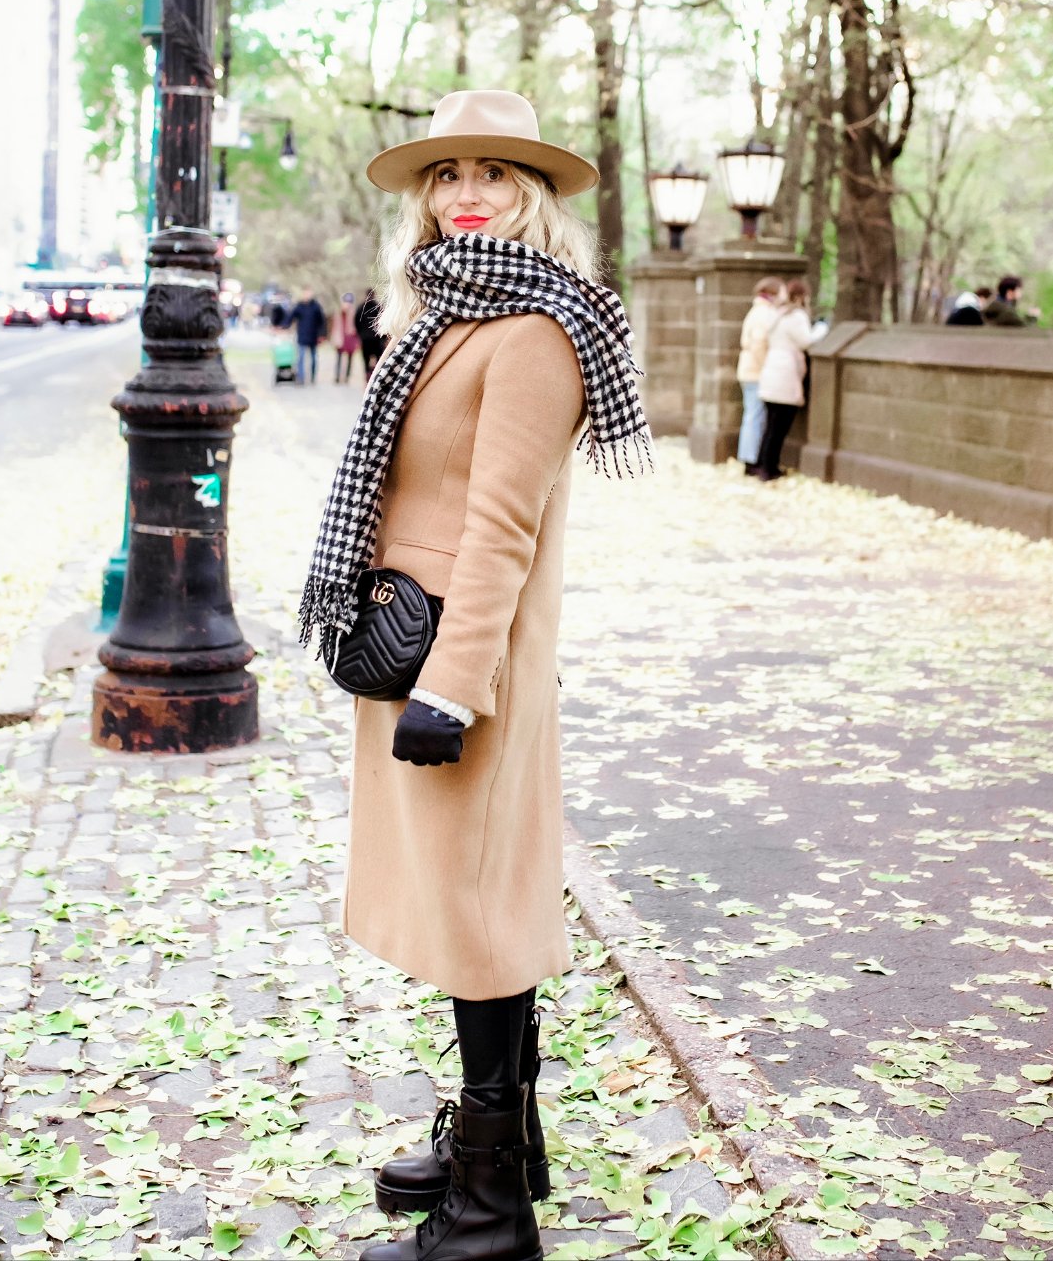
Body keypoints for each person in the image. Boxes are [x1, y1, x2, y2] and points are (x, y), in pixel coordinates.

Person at [298, 90, 651, 1261]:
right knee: (473, 905)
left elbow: (503, 524)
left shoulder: (541, 328)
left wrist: (453, 687)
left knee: (481, 914)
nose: (464, 193)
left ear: (532, 196)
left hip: (462, 659)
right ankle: (504, 1144)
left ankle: (489, 1216)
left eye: (491, 173)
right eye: (445, 174)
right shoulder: (443, 311)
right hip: (411, 643)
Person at [754, 276, 816, 482]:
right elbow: (806, 341)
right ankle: (769, 468)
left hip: (771, 371)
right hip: (786, 373)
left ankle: (763, 463)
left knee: (770, 425)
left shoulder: (775, 314)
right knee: (779, 427)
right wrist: (821, 331)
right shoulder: (796, 316)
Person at [735, 277, 782, 472]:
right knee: (755, 416)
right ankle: (751, 459)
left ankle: (749, 457)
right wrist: (767, 368)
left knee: (752, 414)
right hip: (756, 372)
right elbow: (758, 343)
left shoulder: (757, 311)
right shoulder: (764, 313)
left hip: (749, 370)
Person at [291, 287, 327, 384]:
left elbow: (322, 321)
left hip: (313, 336)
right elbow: (291, 317)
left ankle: (312, 377)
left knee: (313, 358)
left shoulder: (316, 307)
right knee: (301, 358)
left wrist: (322, 334)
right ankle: (301, 378)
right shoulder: (299, 306)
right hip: (302, 336)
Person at [354, 286, 387, 382]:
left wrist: (360, 334)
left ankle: (367, 375)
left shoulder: (361, 308)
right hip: (377, 339)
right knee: (378, 359)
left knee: (366, 359)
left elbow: (356, 322)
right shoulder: (379, 307)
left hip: (365, 339)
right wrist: (383, 337)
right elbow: (384, 323)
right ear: (374, 295)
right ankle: (377, 377)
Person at [334, 293, 360, 383]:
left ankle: (347, 377)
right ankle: (337, 376)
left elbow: (356, 327)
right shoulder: (339, 313)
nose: (347, 304)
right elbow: (335, 327)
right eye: (345, 302)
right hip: (340, 338)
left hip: (350, 338)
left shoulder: (354, 314)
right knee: (339, 358)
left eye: (349, 302)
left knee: (350, 358)